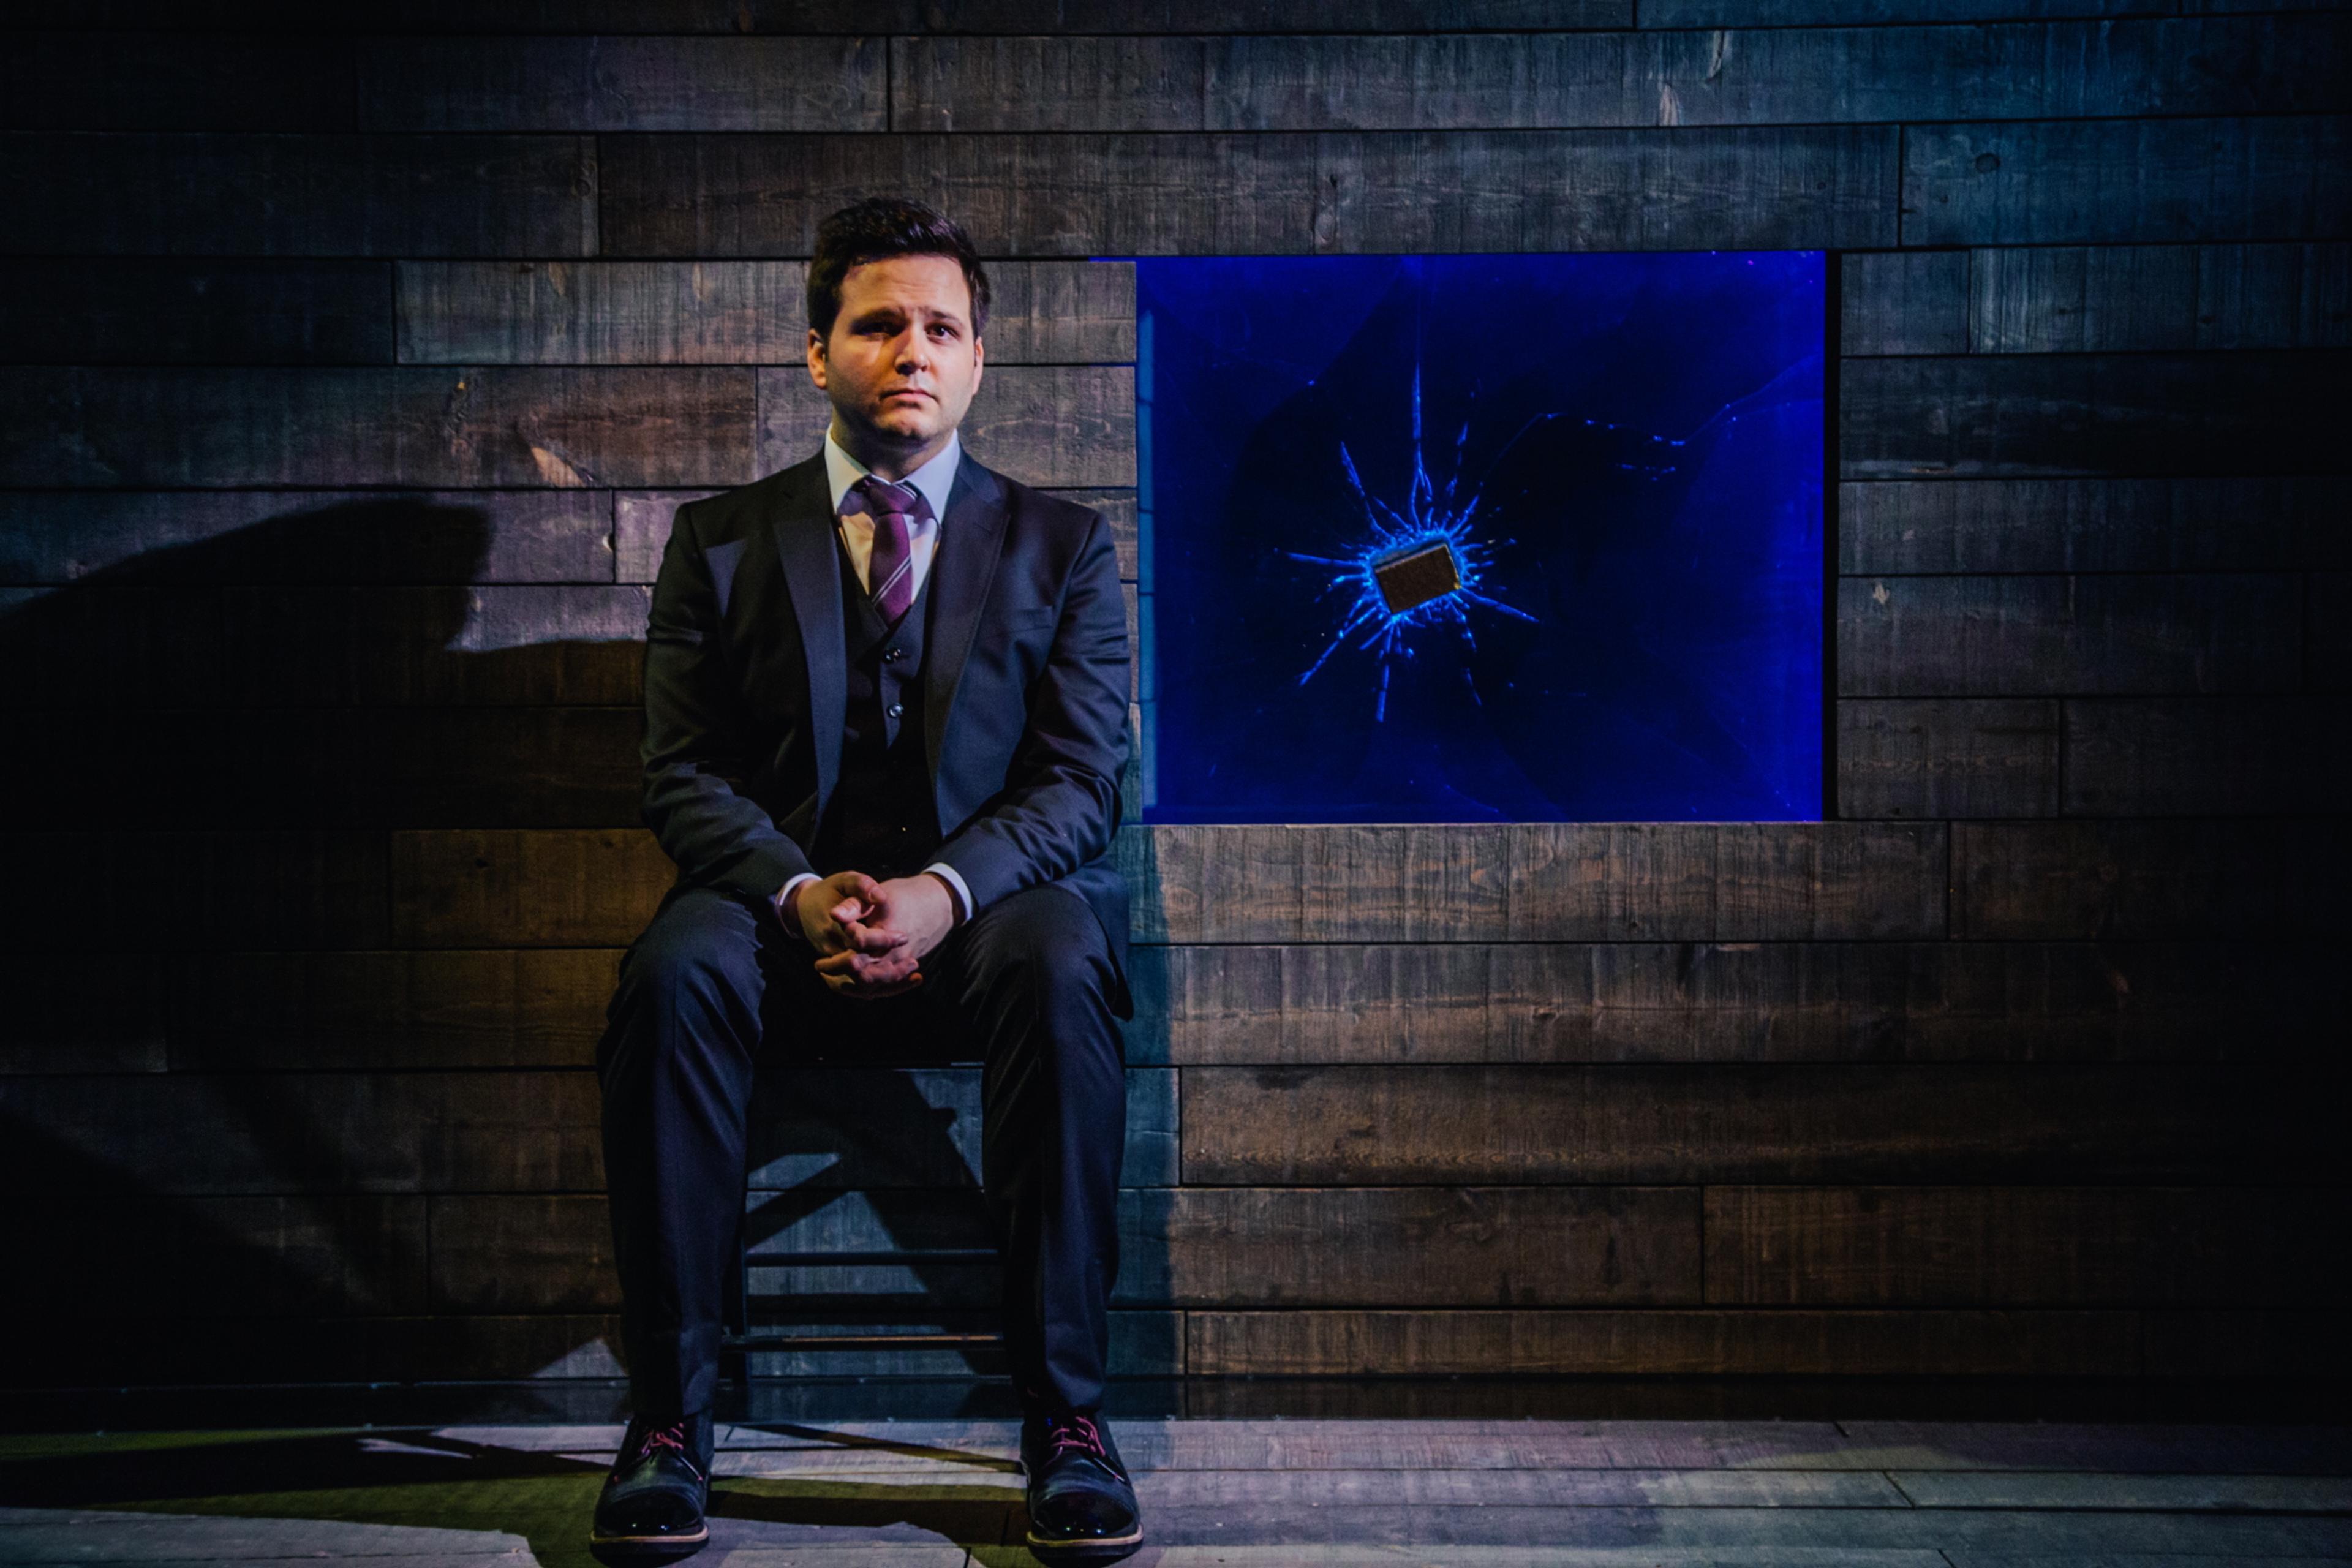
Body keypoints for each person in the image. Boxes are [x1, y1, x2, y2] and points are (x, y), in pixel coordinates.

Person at [589, 196, 1142, 1564]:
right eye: (879, 322)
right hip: (777, 925)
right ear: (818, 350)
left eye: (941, 327)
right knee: (669, 973)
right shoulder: (719, 539)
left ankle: (1068, 1423)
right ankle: (668, 1419)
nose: (913, 347)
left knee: (1066, 953)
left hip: (981, 927)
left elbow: (1080, 785)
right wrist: (797, 892)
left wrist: (943, 893)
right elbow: (683, 774)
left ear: (977, 359)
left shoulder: (1064, 547)